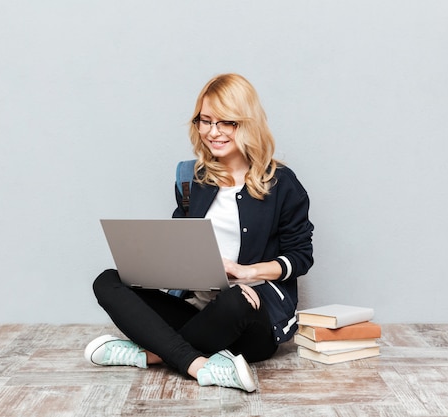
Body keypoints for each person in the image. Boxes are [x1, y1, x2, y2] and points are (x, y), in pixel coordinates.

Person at [85, 73, 314, 392]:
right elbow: (182, 244)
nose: (212, 132)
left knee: (236, 300)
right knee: (107, 280)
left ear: (246, 123)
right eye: (205, 121)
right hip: (199, 311)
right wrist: (157, 266)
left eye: (226, 122)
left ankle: (152, 354)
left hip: (251, 316)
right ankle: (200, 366)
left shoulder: (281, 182)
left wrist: (245, 272)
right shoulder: (192, 179)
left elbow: (301, 257)